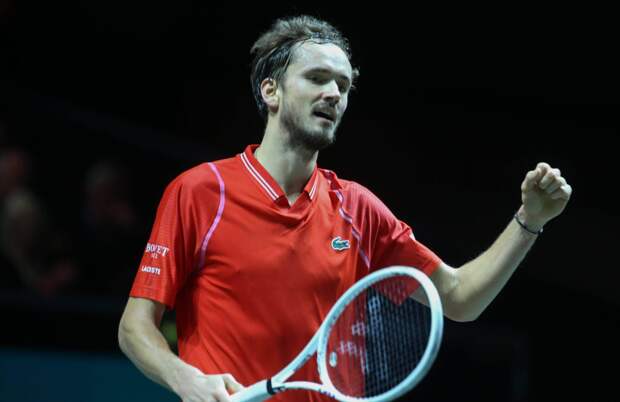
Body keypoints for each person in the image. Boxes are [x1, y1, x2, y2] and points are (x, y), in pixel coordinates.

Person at [118, 15, 572, 402]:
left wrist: (529, 221)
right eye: (317, 78)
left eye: (343, 85)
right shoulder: (201, 192)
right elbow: (134, 328)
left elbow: (459, 298)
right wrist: (185, 378)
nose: (335, 94)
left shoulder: (357, 208)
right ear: (271, 91)